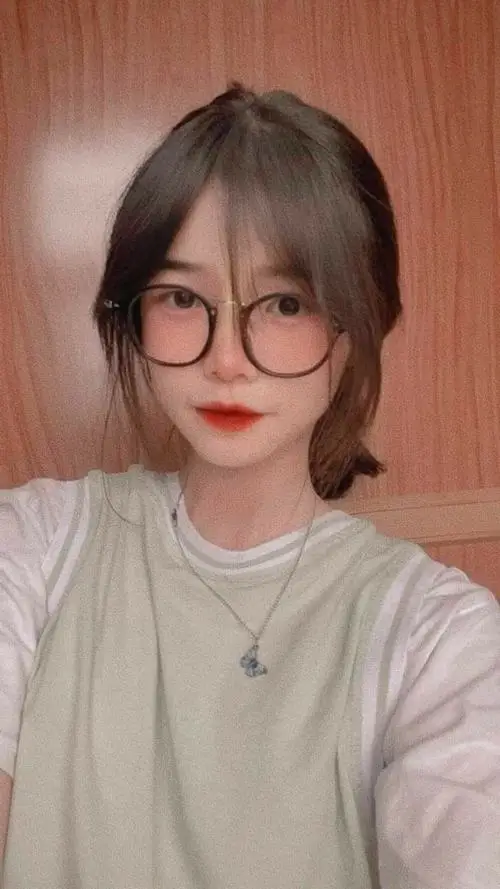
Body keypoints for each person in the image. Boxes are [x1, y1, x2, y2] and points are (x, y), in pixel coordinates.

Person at [0, 84, 499, 888]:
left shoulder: (433, 637)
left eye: (285, 302)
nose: (226, 357)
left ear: (359, 326)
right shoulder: (33, 549)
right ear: (132, 313)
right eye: (181, 297)